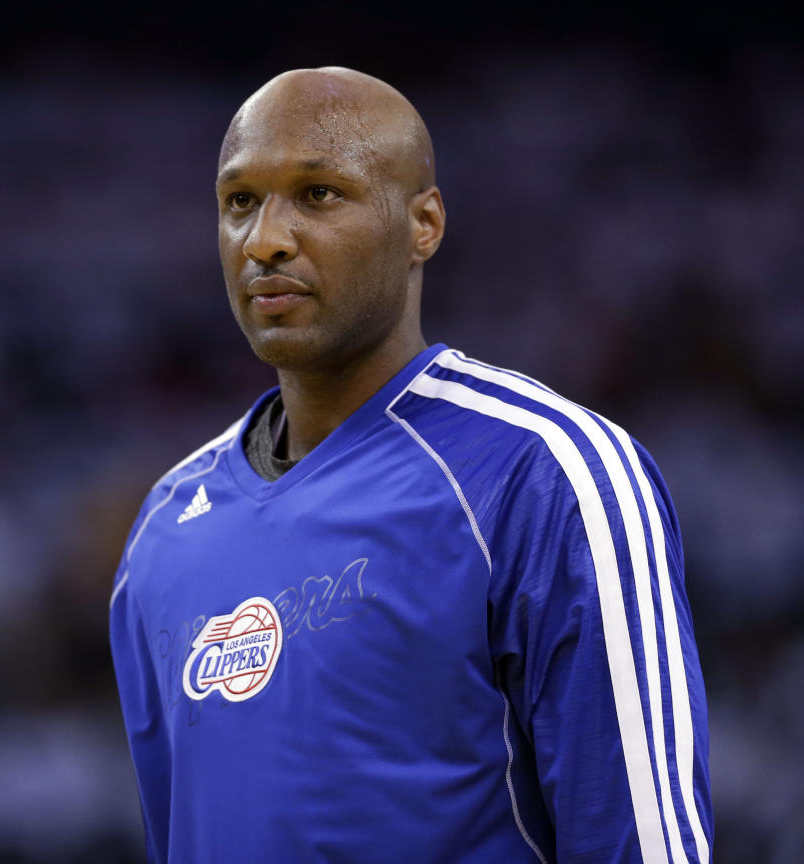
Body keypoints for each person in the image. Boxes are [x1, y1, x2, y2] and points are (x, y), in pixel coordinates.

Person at [108, 66, 712, 863]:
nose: (265, 240)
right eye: (239, 202)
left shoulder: (551, 473)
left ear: (423, 224)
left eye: (319, 194)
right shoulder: (165, 530)